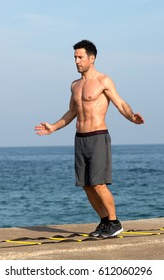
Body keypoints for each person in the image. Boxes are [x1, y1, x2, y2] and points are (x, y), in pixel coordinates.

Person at [35, 40, 144, 238]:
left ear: (91, 58)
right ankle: (104, 222)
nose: (76, 61)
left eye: (80, 57)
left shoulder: (104, 81)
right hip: (80, 138)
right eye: (75, 58)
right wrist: (53, 127)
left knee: (98, 183)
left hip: (97, 137)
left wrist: (131, 117)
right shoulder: (75, 85)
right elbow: (72, 112)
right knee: (86, 184)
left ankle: (114, 222)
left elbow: (120, 103)